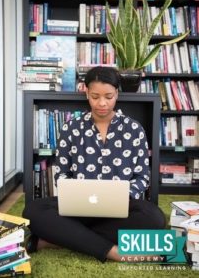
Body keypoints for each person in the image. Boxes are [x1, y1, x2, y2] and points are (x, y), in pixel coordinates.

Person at [23, 66, 166, 263]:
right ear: (86, 93)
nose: (102, 103)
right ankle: (113, 251)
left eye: (108, 96)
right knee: (32, 211)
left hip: (120, 209)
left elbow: (143, 176)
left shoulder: (134, 129)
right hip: (79, 209)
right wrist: (73, 193)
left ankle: (59, 239)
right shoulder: (71, 128)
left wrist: (124, 196)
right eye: (95, 96)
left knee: (155, 219)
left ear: (117, 93)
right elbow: (62, 173)